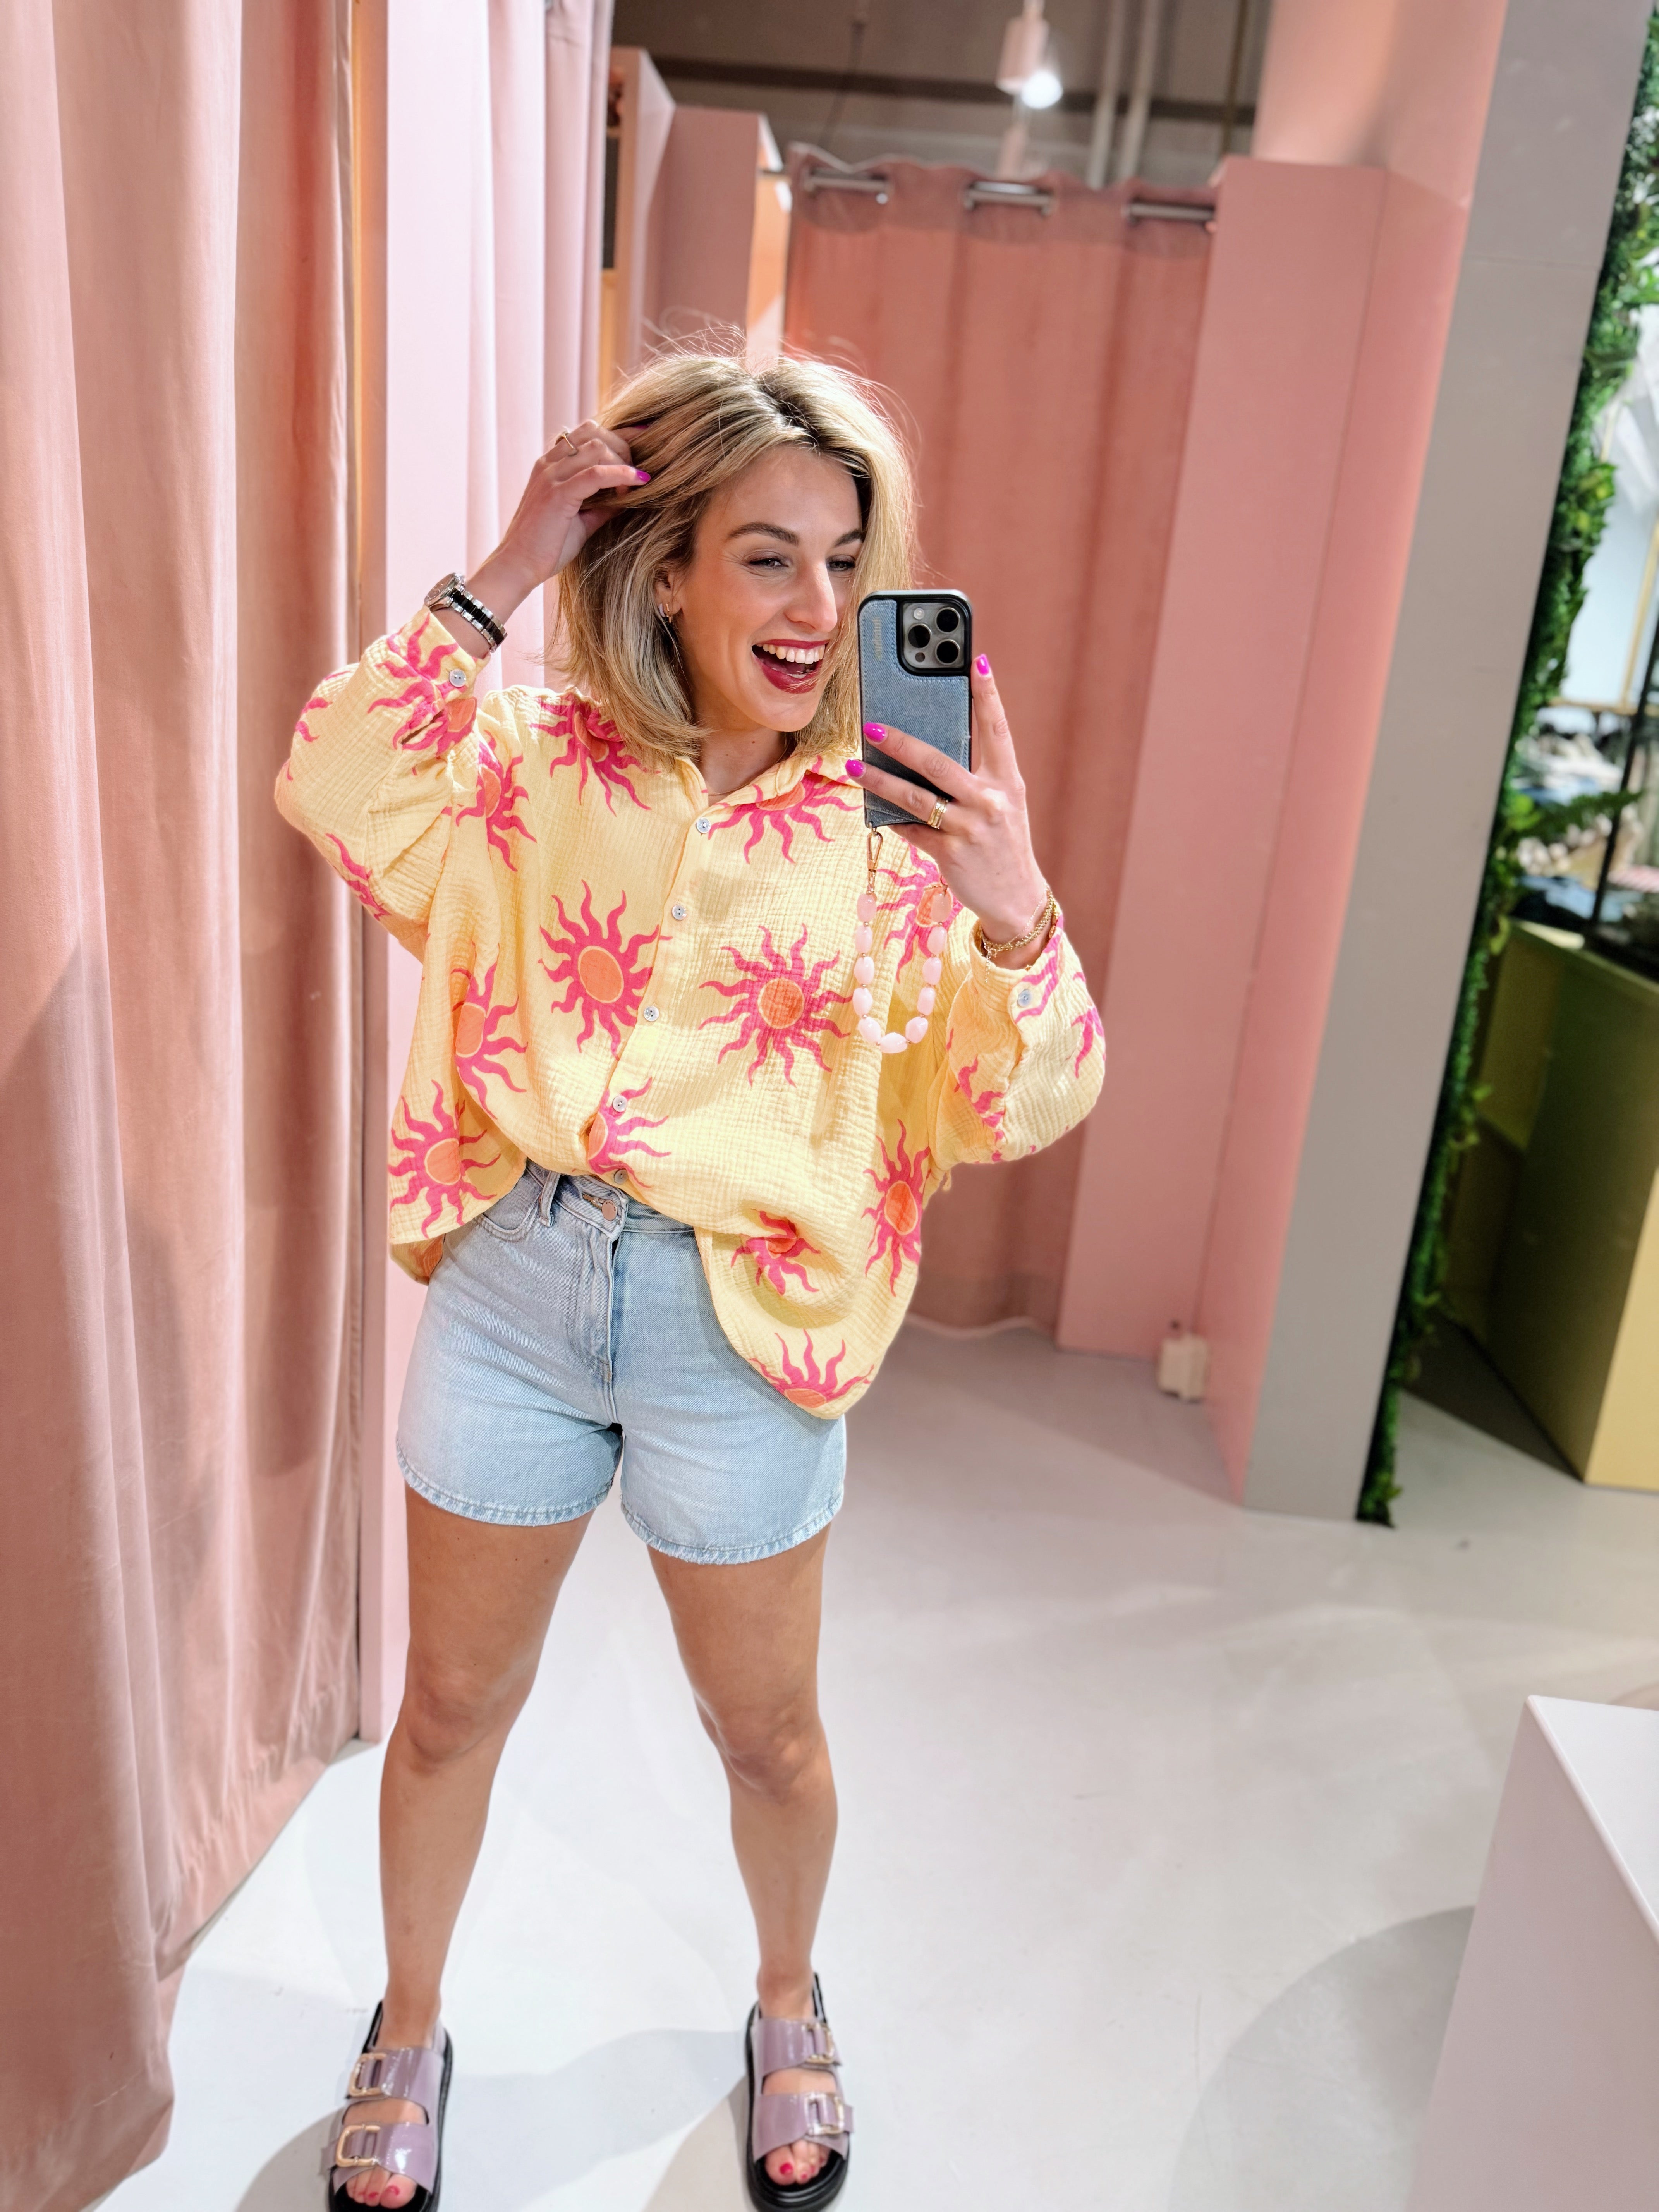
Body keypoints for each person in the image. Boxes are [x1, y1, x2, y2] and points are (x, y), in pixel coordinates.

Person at [278, 350, 1104, 2209]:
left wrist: (1016, 913)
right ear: (666, 573)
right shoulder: (540, 762)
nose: (819, 606)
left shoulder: (898, 827)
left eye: (847, 561)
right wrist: (508, 566)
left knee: (769, 1732)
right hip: (517, 1285)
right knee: (449, 1707)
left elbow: (1019, 1099)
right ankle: (408, 2025)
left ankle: (789, 2003)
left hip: (748, 1328)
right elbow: (335, 781)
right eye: (767, 556)